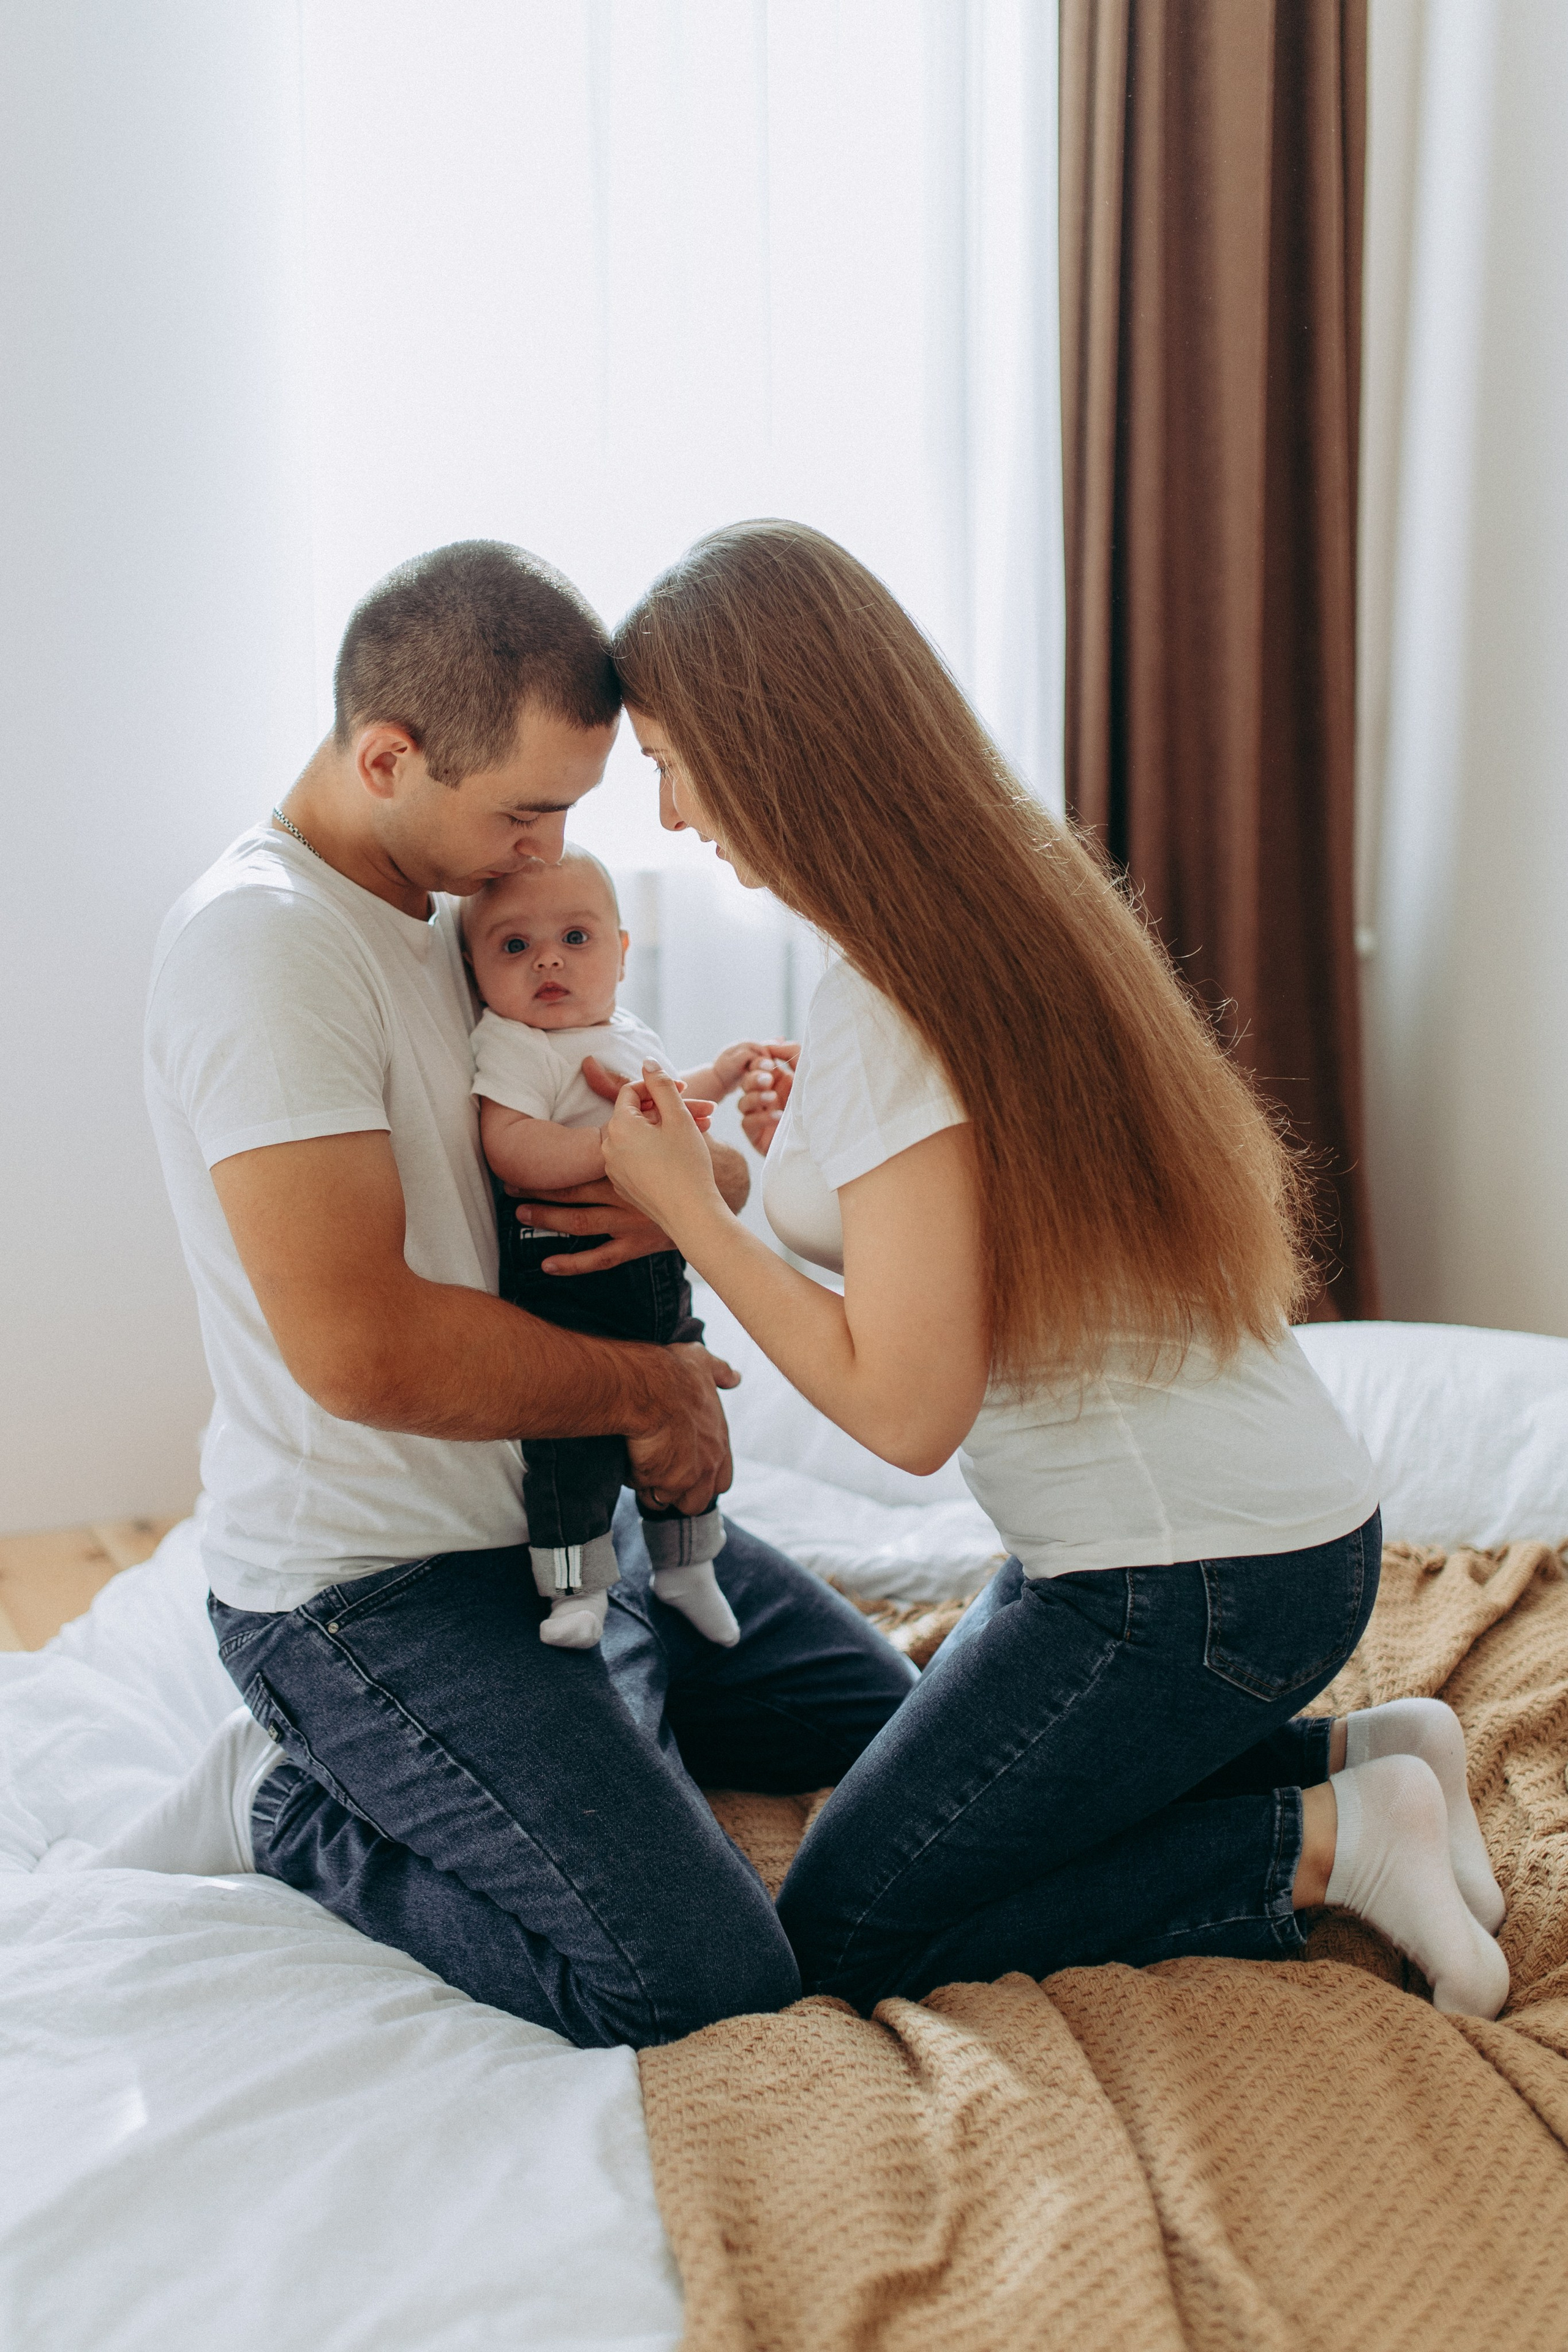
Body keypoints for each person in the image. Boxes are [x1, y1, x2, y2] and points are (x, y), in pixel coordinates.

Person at [597, 518, 1512, 2022]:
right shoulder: (1006, 912)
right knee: (972, 1813)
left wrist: (691, 1217)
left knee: (845, 1930)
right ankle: (1363, 1755)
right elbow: (954, 1214)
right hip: (1269, 1545)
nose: (673, 811)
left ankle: (1330, 1839)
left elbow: (905, 1412)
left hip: (1184, 1591)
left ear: (770, 744)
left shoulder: (887, 1004)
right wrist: (784, 1159)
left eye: (674, 758)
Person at [85, 540, 914, 2051]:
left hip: (558, 1515)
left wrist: (690, 1179)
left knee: (919, 1756)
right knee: (700, 1975)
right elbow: (362, 1345)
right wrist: (652, 1396)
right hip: (373, 1593)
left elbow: (564, 1134)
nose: (543, 854)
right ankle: (291, 1804)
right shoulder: (265, 952)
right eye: (523, 811)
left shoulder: (442, 914)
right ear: (388, 757)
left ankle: (614, 1685)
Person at [465, 845, 768, 1649]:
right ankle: (576, 1591)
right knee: (573, 1448)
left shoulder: (629, 1033)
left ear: (623, 953)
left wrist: (721, 1078)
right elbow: (511, 1143)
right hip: (567, 1287)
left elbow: (669, 1106)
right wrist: (610, 1156)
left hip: (658, 1281)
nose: (549, 961)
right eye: (514, 946)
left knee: (691, 1395)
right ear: (476, 968)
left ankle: (687, 1566)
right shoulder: (515, 1044)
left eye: (576, 937)